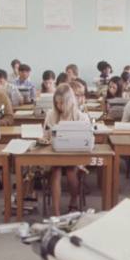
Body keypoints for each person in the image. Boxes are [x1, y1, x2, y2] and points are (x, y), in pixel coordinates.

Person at [43, 83, 89, 215]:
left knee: (71, 171)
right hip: (55, 154)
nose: (59, 106)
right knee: (56, 171)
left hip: (74, 154)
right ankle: (56, 212)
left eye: (62, 103)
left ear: (70, 102)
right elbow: (45, 135)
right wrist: (47, 138)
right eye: (57, 103)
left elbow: (87, 138)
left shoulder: (81, 116)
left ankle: (74, 200)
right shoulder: (51, 114)